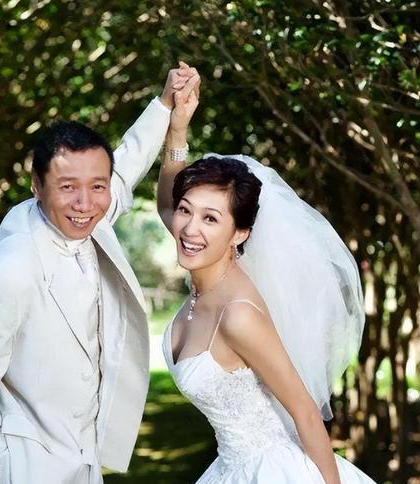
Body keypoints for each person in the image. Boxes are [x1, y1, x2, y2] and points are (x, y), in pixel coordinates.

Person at [0, 64, 200, 484]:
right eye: (68, 186)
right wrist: (7, 472)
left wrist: (166, 105)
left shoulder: (91, 214)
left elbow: (127, 164)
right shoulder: (9, 272)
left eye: (97, 186)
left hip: (85, 463)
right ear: (36, 186)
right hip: (32, 469)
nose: (85, 203)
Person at [156, 85, 375, 483]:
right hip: (230, 466)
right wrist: (178, 128)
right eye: (187, 211)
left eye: (211, 218)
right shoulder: (205, 272)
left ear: (239, 234)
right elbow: (167, 204)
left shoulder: (238, 315)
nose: (188, 228)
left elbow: (305, 411)